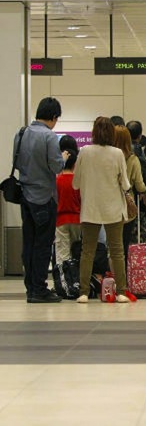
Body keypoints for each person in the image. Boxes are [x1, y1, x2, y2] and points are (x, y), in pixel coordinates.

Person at [72, 116, 132, 303]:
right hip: (113, 208)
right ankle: (121, 291)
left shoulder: (84, 152)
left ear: (94, 132)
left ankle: (83, 292)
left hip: (90, 208)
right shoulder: (117, 153)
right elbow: (125, 183)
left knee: (87, 251)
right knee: (117, 251)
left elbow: (76, 183)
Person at [13, 97, 67, 303]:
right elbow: (57, 167)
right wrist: (63, 157)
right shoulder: (49, 137)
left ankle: (30, 288)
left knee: (29, 242)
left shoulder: (21, 133)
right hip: (44, 197)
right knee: (43, 244)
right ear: (54, 117)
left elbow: (15, 163)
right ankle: (39, 289)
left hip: (25, 196)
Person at [114, 125, 146, 260]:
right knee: (124, 243)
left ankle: (112, 275)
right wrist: (145, 193)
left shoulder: (108, 157)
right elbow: (139, 184)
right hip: (127, 206)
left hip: (109, 204)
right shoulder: (133, 159)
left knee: (112, 244)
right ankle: (124, 276)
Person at [55, 149, 81, 264]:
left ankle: (63, 278)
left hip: (60, 219)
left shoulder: (57, 181)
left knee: (62, 252)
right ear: (75, 164)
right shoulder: (78, 181)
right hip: (76, 219)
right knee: (75, 249)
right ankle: (75, 276)